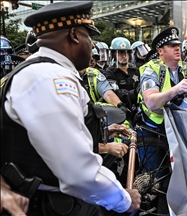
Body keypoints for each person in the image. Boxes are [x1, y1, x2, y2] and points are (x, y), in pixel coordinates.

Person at [0, 2, 140, 215]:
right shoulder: (49, 78)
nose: (92, 46)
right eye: (89, 36)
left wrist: (102, 132)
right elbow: (78, 171)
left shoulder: (43, 71)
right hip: (54, 206)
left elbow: (43, 138)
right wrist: (124, 199)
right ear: (74, 35)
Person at [138, 26, 187, 128]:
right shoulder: (151, 69)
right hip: (155, 127)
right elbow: (151, 102)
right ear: (160, 51)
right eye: (171, 45)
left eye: (178, 45)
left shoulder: (184, 66)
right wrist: (177, 89)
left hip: (180, 123)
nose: (177, 48)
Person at [104, 37, 140, 112]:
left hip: (138, 109)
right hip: (121, 111)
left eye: (126, 52)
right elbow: (115, 93)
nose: (124, 56)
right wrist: (135, 92)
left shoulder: (136, 70)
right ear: (114, 55)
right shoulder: (109, 72)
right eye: (120, 53)